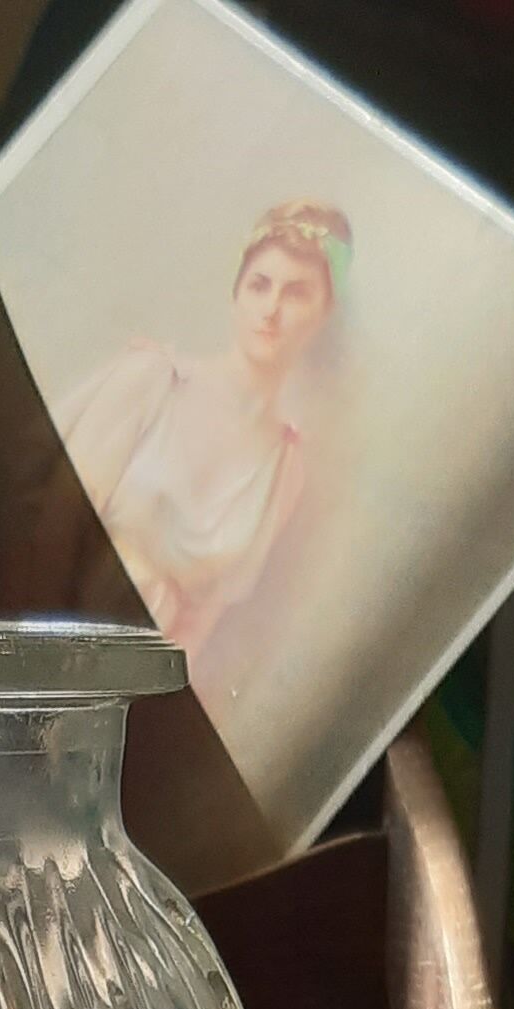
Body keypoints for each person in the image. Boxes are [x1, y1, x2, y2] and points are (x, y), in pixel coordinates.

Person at [55, 199, 348, 670]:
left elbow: (201, 625)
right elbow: (48, 531)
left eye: (296, 293)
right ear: (236, 296)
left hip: (132, 682)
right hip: (46, 637)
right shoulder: (151, 380)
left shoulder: (286, 465)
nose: (271, 309)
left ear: (321, 316)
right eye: (259, 285)